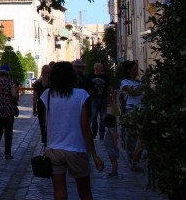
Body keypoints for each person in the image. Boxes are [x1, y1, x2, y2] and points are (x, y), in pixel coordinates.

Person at [37, 61, 104, 200]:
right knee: (84, 192)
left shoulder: (47, 95)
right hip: (76, 148)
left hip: (54, 149)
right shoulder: (81, 95)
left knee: (59, 193)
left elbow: (45, 124)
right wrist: (94, 154)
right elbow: (85, 127)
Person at [118, 60, 145, 172]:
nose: (136, 70)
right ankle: (133, 162)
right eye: (134, 68)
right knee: (132, 138)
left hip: (142, 111)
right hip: (131, 112)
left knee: (143, 138)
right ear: (129, 70)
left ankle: (137, 158)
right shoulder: (125, 82)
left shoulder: (139, 82)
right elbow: (133, 92)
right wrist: (144, 85)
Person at [0, 64, 18, 159]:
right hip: (8, 110)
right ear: (7, 73)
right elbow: (14, 95)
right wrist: (16, 100)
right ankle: (7, 153)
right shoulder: (10, 83)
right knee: (8, 132)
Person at [84, 62, 110, 139]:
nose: (102, 69)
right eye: (101, 67)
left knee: (103, 116)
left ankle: (102, 133)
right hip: (93, 98)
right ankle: (94, 132)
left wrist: (111, 97)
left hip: (103, 98)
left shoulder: (105, 77)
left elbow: (109, 86)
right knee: (94, 115)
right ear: (96, 68)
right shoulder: (90, 76)